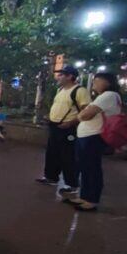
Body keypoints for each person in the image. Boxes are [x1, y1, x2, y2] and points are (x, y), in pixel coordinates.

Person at [65, 73, 122, 211]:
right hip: (87, 137)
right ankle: (84, 197)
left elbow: (85, 115)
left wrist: (82, 114)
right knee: (85, 168)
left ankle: (92, 200)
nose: (94, 84)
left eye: (97, 81)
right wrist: (83, 113)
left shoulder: (108, 95)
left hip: (93, 137)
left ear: (107, 82)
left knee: (91, 169)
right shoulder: (107, 96)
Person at [36, 65, 91, 193]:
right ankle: (51, 177)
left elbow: (86, 110)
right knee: (52, 153)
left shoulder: (79, 91)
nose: (58, 77)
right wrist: (50, 117)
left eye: (61, 75)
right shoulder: (61, 90)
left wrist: (72, 122)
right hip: (55, 126)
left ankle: (71, 184)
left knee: (68, 156)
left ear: (70, 76)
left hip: (68, 128)